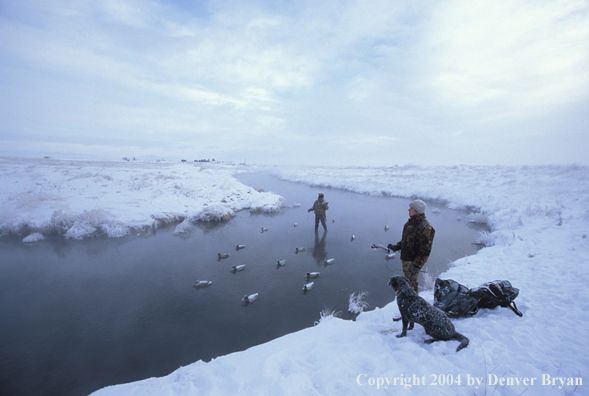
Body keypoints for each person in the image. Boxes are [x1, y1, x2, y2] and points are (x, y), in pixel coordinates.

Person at [388, 199, 435, 293]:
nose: (408, 210)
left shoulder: (426, 228)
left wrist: (417, 265)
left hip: (413, 262)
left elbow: (425, 250)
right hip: (405, 260)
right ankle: (408, 302)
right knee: (407, 282)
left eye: (411, 208)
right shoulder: (410, 224)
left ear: (417, 211)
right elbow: (406, 241)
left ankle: (413, 304)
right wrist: (396, 247)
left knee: (411, 285)